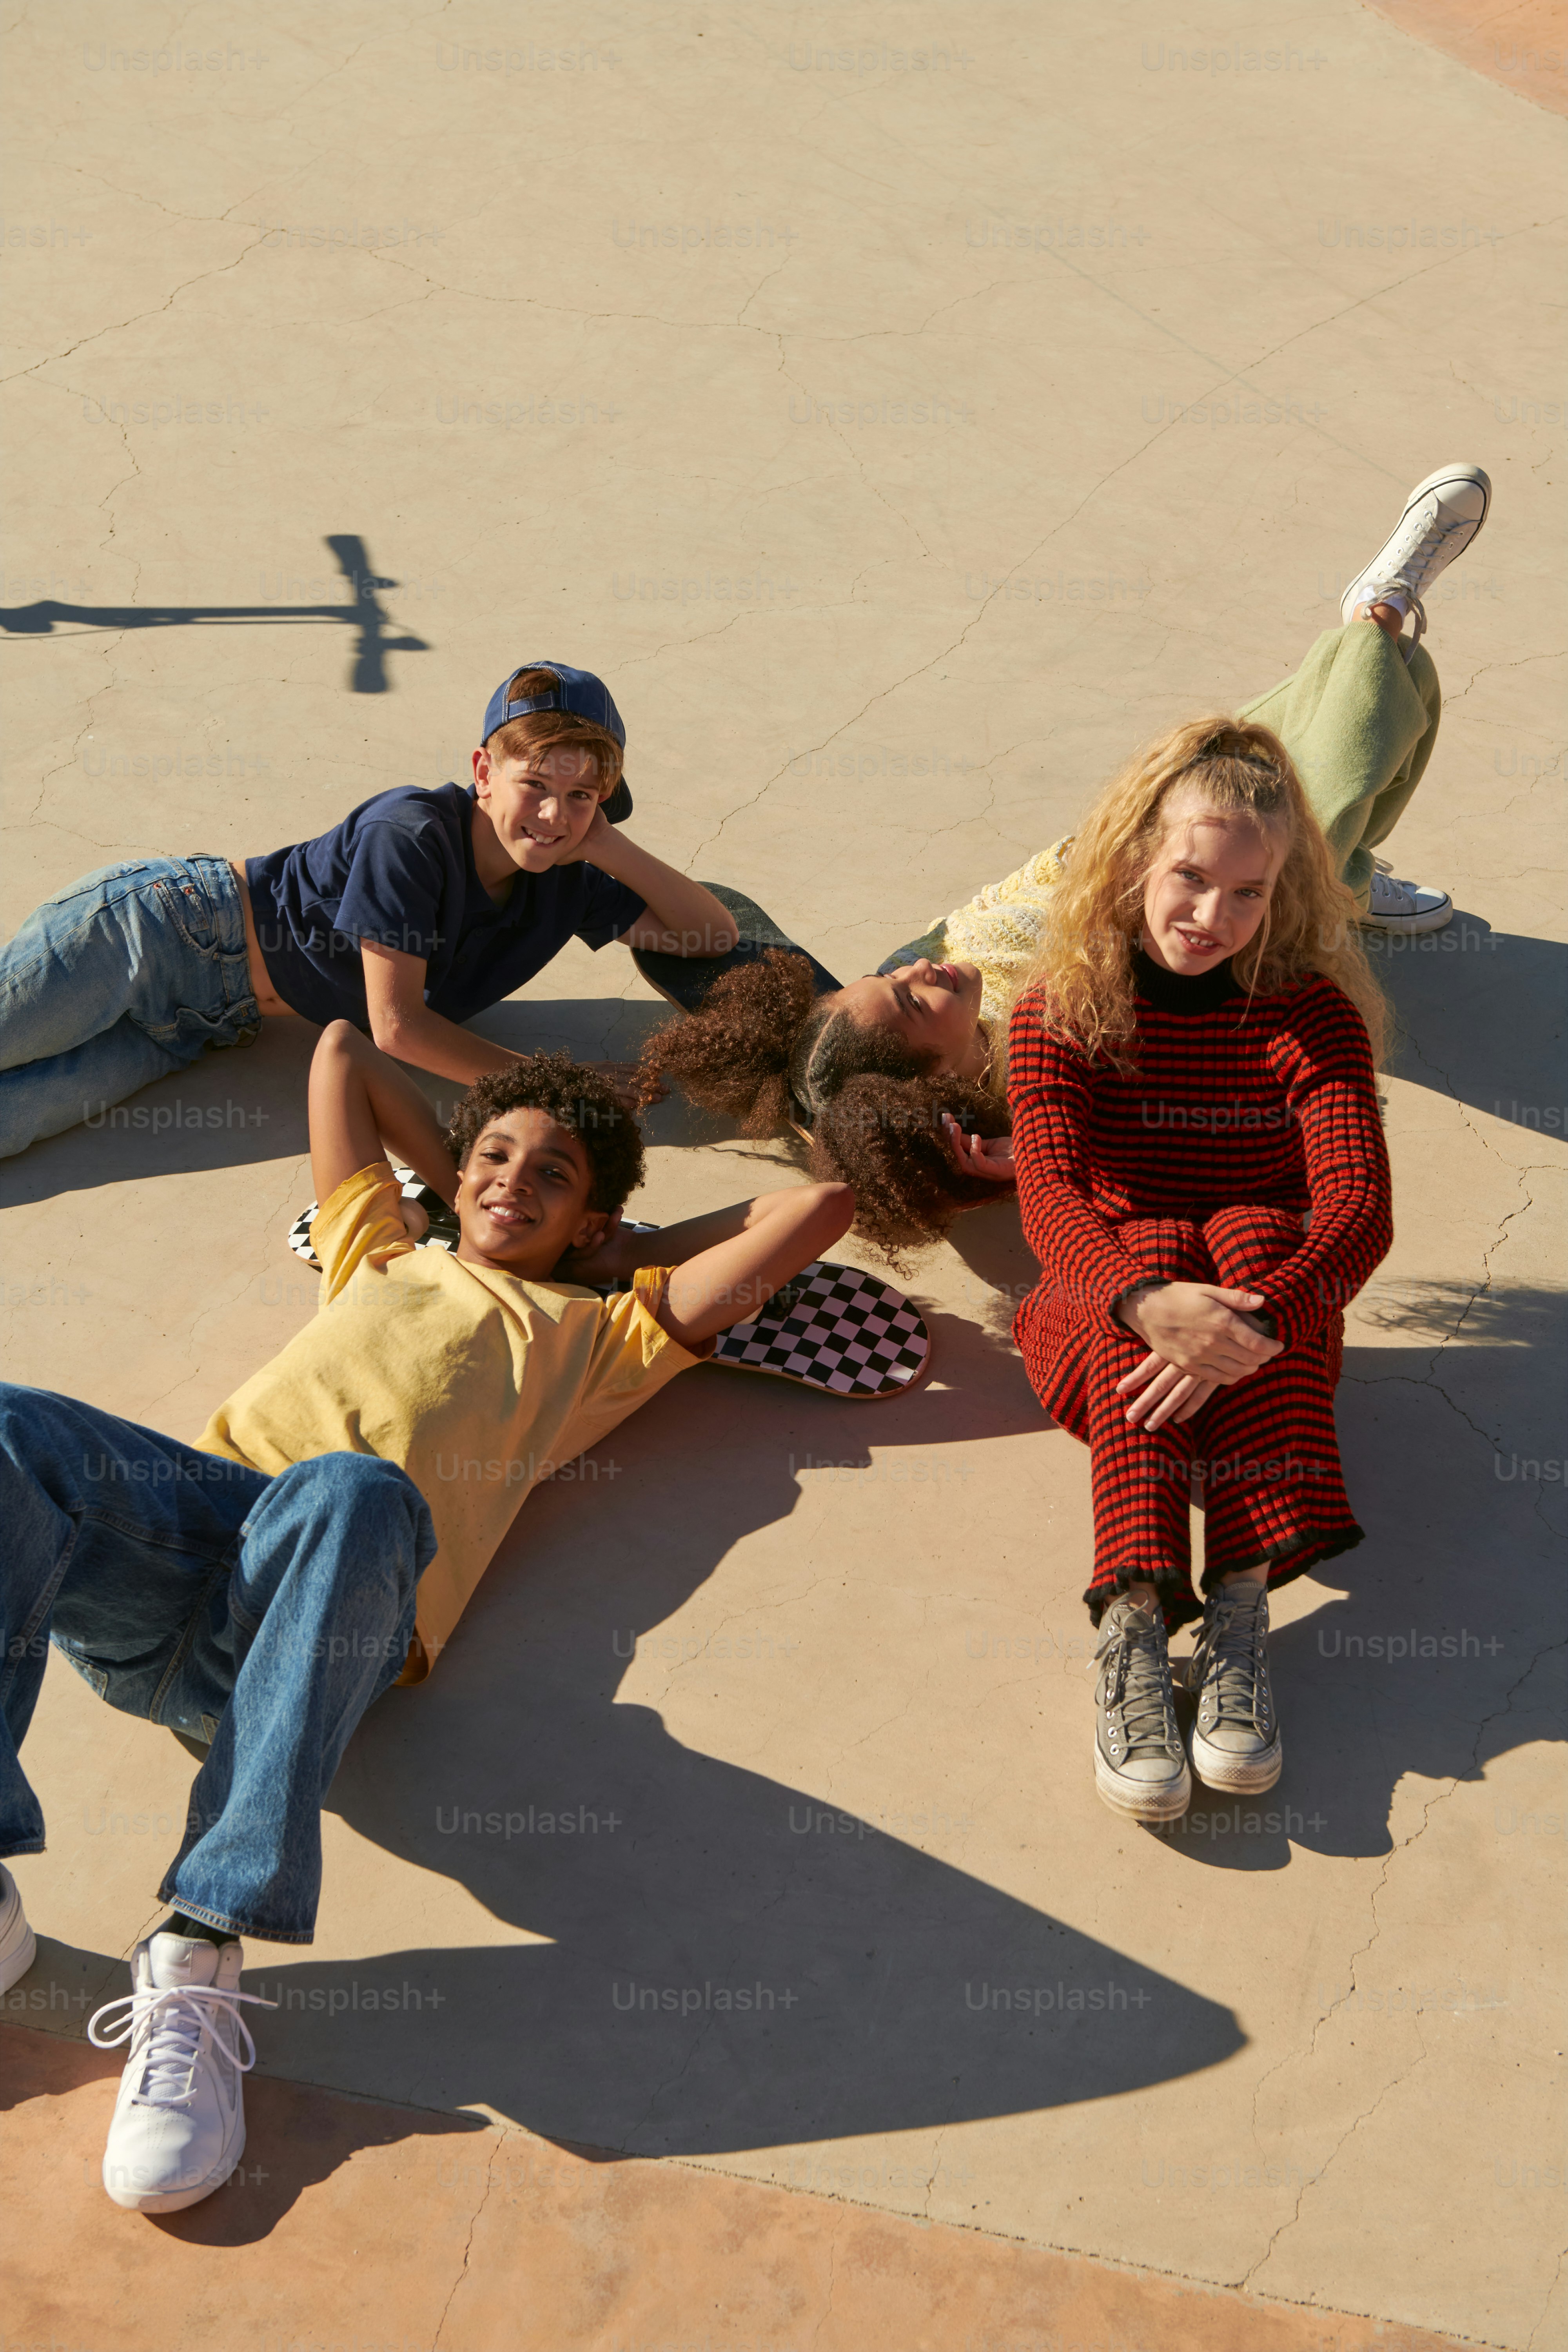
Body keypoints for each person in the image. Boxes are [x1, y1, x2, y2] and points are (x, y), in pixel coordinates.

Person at [0, 1022, 850, 2212]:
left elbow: (817, 1210)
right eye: (493, 1158)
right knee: (9, 1423)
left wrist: (625, 1248)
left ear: (592, 1223)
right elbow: (345, 1051)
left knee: (355, 1489)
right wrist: (476, 1172)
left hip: (327, 1604)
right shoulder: (380, 1253)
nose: (512, 1181)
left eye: (551, 1177)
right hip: (178, 1551)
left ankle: (200, 1943)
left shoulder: (599, 1338)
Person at [645, 466, 1488, 1259]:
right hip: (1212, 911)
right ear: (941, 1078)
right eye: (908, 994)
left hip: (1149, 836)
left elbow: (710, 916)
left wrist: (805, 1099)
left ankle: (1339, 872)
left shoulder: (890, 1013)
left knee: (1287, 743)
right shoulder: (1026, 1072)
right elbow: (1141, 1140)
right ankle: (1373, 625)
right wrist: (1027, 1163)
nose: (922, 964)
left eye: (886, 974)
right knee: (1346, 749)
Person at [1005, 714, 1392, 1826]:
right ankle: (1132, 1616)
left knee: (1261, 1238)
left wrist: (1247, 1323)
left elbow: (1358, 1211)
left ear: (1280, 895)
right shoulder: (1061, 1011)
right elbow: (1052, 1201)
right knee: (1161, 1243)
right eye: (1188, 878)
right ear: (1132, 859)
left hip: (1271, 1319)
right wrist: (1145, 1301)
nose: (1211, 917)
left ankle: (1237, 1605)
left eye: (1247, 895)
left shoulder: (1308, 1016)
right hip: (1099, 1312)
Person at [0, 662, 737, 1159]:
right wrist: (563, 1087)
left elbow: (709, 935)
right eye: (535, 783)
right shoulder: (410, 831)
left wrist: (606, 842)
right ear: (484, 772)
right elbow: (398, 1027)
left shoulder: (568, 872)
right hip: (159, 935)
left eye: (581, 795)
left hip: (202, 1028)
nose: (552, 814)